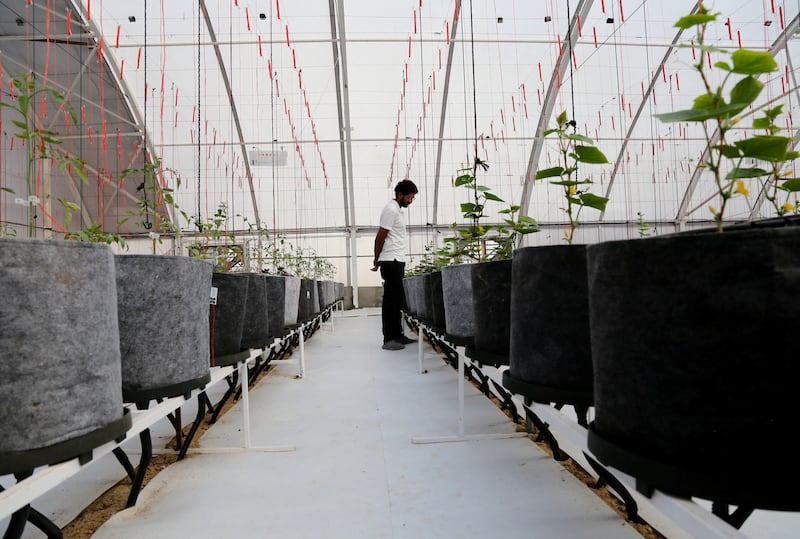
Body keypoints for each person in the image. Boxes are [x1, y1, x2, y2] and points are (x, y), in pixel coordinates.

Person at [372, 179, 419, 350]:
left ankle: (398, 335)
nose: (410, 201)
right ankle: (389, 339)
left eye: (412, 198)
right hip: (390, 260)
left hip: (397, 259)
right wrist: (376, 259)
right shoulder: (390, 210)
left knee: (397, 299)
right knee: (391, 301)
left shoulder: (398, 210)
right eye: (409, 198)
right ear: (400, 195)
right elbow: (380, 236)